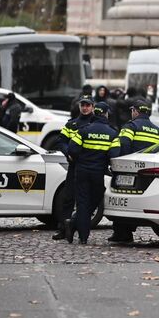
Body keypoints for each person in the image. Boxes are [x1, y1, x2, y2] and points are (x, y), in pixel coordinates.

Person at [109, 99, 159, 243]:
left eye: (132, 111)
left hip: (130, 169)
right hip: (149, 171)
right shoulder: (158, 131)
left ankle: (122, 234)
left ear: (135, 111)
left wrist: (122, 164)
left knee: (122, 200)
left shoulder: (130, 126)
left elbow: (124, 145)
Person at [65, 102, 120, 244]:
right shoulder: (112, 133)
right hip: (98, 173)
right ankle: (79, 232)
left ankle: (77, 228)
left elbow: (72, 149)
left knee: (82, 203)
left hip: (82, 171)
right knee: (94, 200)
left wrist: (80, 158)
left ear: (95, 112)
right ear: (106, 114)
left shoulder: (84, 130)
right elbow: (114, 154)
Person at [51, 95, 95, 240]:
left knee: (87, 200)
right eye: (83, 105)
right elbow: (61, 141)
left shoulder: (96, 123)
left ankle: (81, 229)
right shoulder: (72, 124)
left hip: (90, 165)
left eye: (88, 105)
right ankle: (63, 229)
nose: (85, 107)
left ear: (93, 107)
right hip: (74, 165)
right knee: (68, 198)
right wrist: (68, 152)